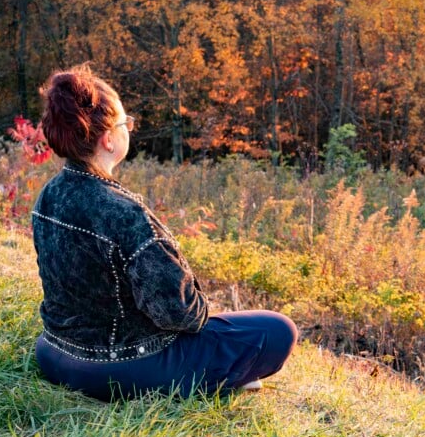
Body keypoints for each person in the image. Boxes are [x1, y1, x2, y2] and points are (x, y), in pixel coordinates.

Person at [32, 64, 298, 401]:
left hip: (55, 354)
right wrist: (198, 304)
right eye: (124, 123)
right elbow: (181, 315)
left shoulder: (49, 194)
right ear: (108, 139)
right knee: (277, 330)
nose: (130, 129)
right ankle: (215, 380)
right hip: (117, 369)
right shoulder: (125, 213)